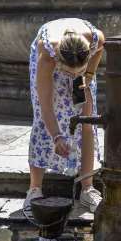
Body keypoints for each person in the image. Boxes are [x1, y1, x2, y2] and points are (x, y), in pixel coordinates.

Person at [24, 18, 104, 214]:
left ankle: (87, 189)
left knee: (87, 120)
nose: (70, 76)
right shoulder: (47, 53)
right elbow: (45, 107)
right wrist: (57, 137)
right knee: (43, 124)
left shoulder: (95, 39)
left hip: (82, 72)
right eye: (68, 73)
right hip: (56, 61)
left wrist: (87, 75)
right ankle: (34, 190)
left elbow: (99, 50)